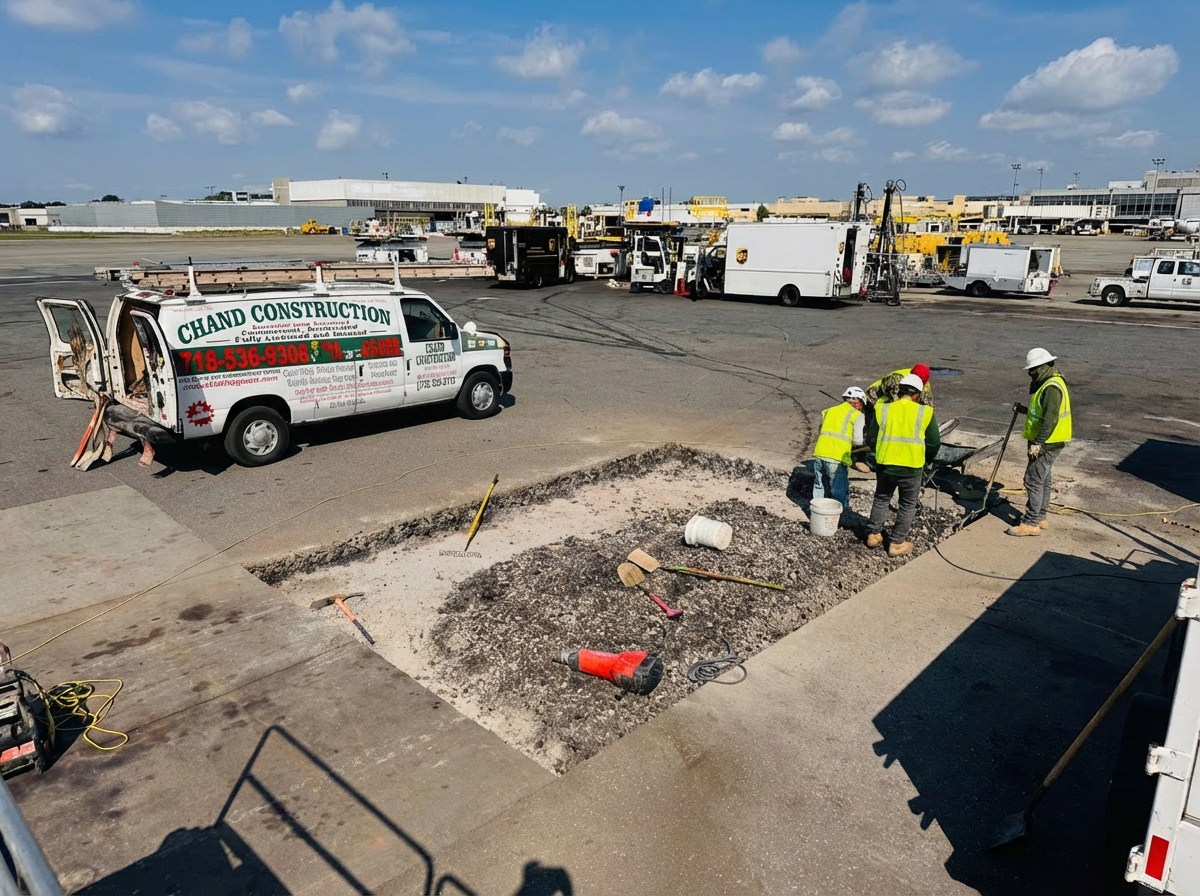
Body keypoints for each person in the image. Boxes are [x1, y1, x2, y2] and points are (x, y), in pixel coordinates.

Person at [864, 374, 941, 557]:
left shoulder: (883, 409)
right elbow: (934, 443)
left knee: (881, 499)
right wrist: (926, 458)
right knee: (907, 504)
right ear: (917, 395)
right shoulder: (925, 412)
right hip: (911, 467)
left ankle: (873, 534)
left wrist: (880, 452)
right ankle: (896, 543)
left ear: (899, 391)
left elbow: (872, 438)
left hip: (885, 465)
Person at [1007, 348, 1072, 536]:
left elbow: (1050, 418)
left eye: (1032, 369)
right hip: (1050, 441)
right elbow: (1041, 412)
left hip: (1048, 443)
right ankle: (1040, 516)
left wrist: (1038, 443)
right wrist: (1024, 410)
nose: (1030, 373)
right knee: (1044, 479)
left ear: (1042, 367)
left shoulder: (1051, 387)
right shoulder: (1050, 383)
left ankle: (1031, 523)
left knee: (1033, 480)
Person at [812, 386, 866, 510]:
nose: (862, 408)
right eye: (862, 404)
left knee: (819, 487)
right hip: (837, 457)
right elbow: (857, 440)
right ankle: (838, 517)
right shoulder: (857, 415)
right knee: (838, 491)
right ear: (858, 402)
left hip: (819, 453)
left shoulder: (829, 411)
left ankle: (816, 513)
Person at [866, 363, 934, 407]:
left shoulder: (925, 384)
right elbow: (896, 405)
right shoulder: (897, 380)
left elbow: (928, 406)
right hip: (876, 397)